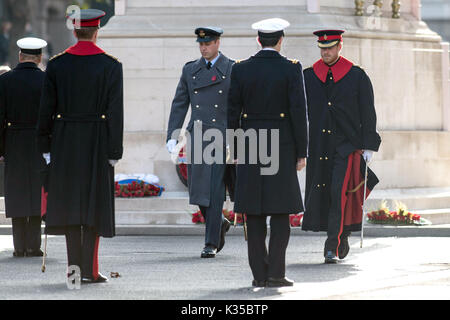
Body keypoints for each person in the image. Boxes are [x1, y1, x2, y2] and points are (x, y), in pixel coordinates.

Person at [37, 9, 123, 283]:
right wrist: (114, 151)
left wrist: (46, 145)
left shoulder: (57, 64)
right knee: (93, 207)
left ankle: (73, 270)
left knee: (72, 207)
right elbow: (115, 113)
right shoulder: (111, 65)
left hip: (65, 142)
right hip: (96, 142)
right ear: (96, 31)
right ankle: (90, 270)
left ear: (74, 31)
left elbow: (46, 109)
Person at [227, 18, 308, 287]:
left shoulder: (241, 69)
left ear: (258, 40)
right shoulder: (291, 69)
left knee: (255, 212)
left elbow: (232, 114)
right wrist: (301, 151)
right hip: (282, 145)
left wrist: (236, 148)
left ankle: (258, 275)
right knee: (281, 212)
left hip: (250, 144)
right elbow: (299, 113)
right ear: (281, 40)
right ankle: (276, 273)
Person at [302, 30, 381, 264]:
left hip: (347, 146)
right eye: (322, 48)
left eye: (330, 47)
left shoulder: (357, 75)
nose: (325, 52)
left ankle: (331, 247)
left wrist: (369, 146)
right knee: (323, 192)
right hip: (319, 146)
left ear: (339, 46)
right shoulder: (308, 75)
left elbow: (368, 112)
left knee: (338, 193)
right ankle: (342, 233)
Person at [166, 27, 234, 259]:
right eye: (200, 44)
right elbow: (179, 103)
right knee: (197, 190)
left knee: (214, 190)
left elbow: (238, 106)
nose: (203, 47)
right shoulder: (190, 70)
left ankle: (210, 243)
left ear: (217, 43)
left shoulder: (232, 68)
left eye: (208, 43)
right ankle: (220, 222)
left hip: (221, 136)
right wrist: (172, 136)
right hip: (196, 134)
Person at [0, 37, 47, 257]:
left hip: (13, 139)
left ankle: (19, 247)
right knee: (36, 191)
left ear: (20, 56)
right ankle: (34, 245)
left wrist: (1, 149)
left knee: (17, 191)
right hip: (38, 141)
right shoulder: (46, 80)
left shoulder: (5, 80)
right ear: (39, 58)